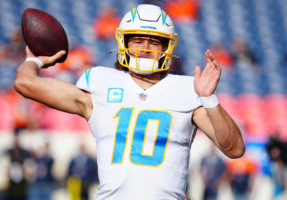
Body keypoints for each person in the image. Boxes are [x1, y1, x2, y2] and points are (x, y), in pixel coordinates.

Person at [14, 4, 245, 200]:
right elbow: (26, 84)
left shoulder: (187, 89)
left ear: (167, 47)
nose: (145, 48)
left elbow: (234, 149)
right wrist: (35, 60)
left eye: (154, 42)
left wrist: (208, 98)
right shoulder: (99, 83)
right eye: (137, 40)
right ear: (123, 42)